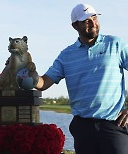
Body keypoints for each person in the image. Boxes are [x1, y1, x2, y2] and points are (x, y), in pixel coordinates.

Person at [36, 3, 128, 154]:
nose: (93, 23)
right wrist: (27, 72)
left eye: (94, 18)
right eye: (86, 21)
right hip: (83, 128)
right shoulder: (66, 55)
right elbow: (43, 83)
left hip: (113, 125)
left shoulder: (115, 44)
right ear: (75, 26)